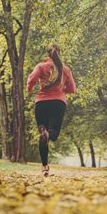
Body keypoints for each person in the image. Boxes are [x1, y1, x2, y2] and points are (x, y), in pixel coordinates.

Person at [27, 44, 76, 176]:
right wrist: (61, 90)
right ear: (59, 53)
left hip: (41, 103)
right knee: (52, 133)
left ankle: (44, 167)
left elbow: (31, 80)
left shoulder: (40, 66)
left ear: (47, 54)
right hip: (58, 103)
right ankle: (48, 134)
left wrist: (30, 89)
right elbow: (72, 89)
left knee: (42, 134)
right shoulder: (65, 69)